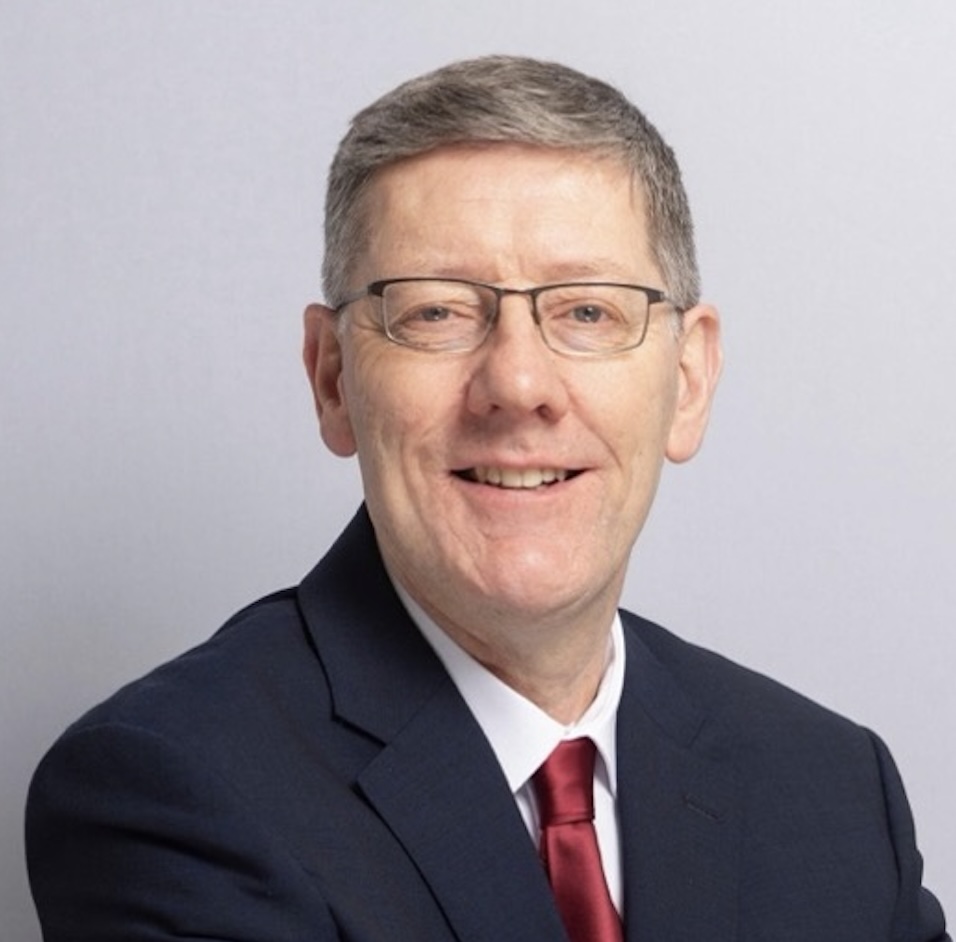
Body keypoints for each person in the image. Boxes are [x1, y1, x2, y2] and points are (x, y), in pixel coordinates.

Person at [26, 55, 948, 942]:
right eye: (436, 311)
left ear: (689, 379)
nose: (518, 384)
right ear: (334, 379)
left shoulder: (833, 790)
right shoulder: (172, 787)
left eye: (587, 311)